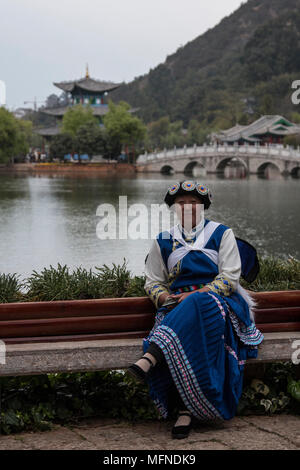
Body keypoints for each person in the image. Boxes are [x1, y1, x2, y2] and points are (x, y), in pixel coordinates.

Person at [127, 181, 264, 439]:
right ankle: (185, 410)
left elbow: (229, 278)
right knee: (189, 328)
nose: (187, 207)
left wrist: (192, 295)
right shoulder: (163, 240)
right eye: (181, 203)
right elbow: (153, 280)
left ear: (203, 206)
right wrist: (166, 297)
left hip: (218, 301)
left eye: (193, 202)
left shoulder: (221, 234)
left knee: (200, 303)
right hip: (176, 305)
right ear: (173, 208)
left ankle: (153, 354)